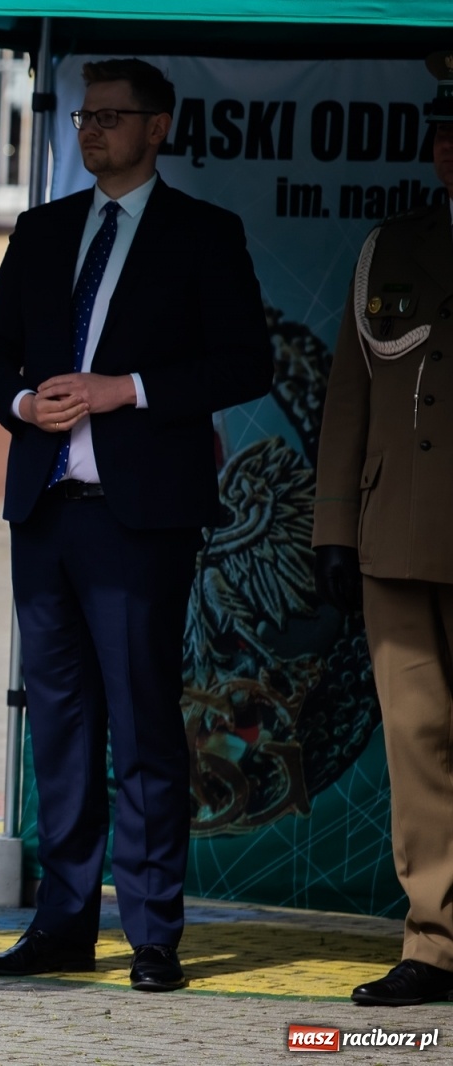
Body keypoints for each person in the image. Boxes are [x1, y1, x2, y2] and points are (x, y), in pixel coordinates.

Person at [0, 59, 271, 993]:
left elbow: (244, 364)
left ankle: (153, 934)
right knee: (58, 726)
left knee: (140, 725)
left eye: (110, 117)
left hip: (140, 521)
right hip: (46, 509)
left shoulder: (204, 236)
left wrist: (124, 391)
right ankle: (62, 925)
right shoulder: (44, 228)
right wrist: (22, 401)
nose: (91, 132)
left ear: (158, 128)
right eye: (83, 117)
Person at [311, 52, 453, 1008]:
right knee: (417, 742)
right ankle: (435, 944)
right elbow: (349, 399)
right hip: (396, 540)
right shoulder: (388, 246)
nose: (448, 150)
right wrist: (333, 532)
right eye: (441, 134)